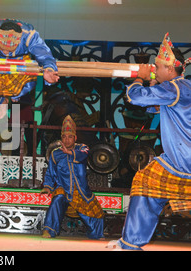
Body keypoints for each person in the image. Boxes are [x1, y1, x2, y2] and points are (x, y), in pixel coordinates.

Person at [109, 33, 191, 250]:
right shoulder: (184, 88)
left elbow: (136, 97)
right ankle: (129, 242)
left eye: (157, 66)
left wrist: (140, 78)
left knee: (145, 186)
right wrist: (154, 85)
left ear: (170, 68)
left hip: (182, 161)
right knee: (145, 181)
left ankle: (131, 243)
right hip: (181, 160)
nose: (154, 68)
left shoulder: (173, 88)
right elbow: (153, 107)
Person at [41, 115, 104, 240]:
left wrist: (70, 153)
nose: (67, 140)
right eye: (64, 137)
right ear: (61, 138)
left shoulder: (82, 148)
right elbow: (50, 172)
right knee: (57, 198)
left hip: (80, 190)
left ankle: (96, 234)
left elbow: (84, 155)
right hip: (63, 188)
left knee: (95, 213)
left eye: (70, 137)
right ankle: (49, 230)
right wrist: (47, 186)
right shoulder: (55, 153)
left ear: (75, 138)